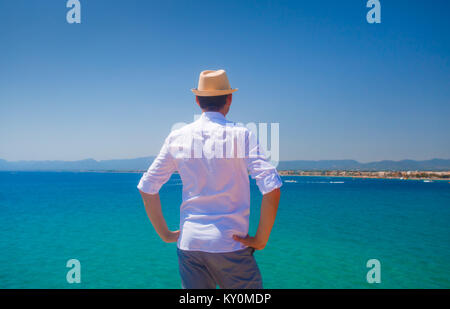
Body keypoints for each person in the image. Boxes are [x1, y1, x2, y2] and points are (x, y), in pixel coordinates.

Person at [137, 69, 282, 289]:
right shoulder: (242, 134)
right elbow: (271, 188)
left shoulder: (178, 136)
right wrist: (260, 239)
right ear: (230, 98)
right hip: (230, 245)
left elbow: (147, 188)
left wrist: (166, 234)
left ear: (197, 100)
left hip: (190, 245)